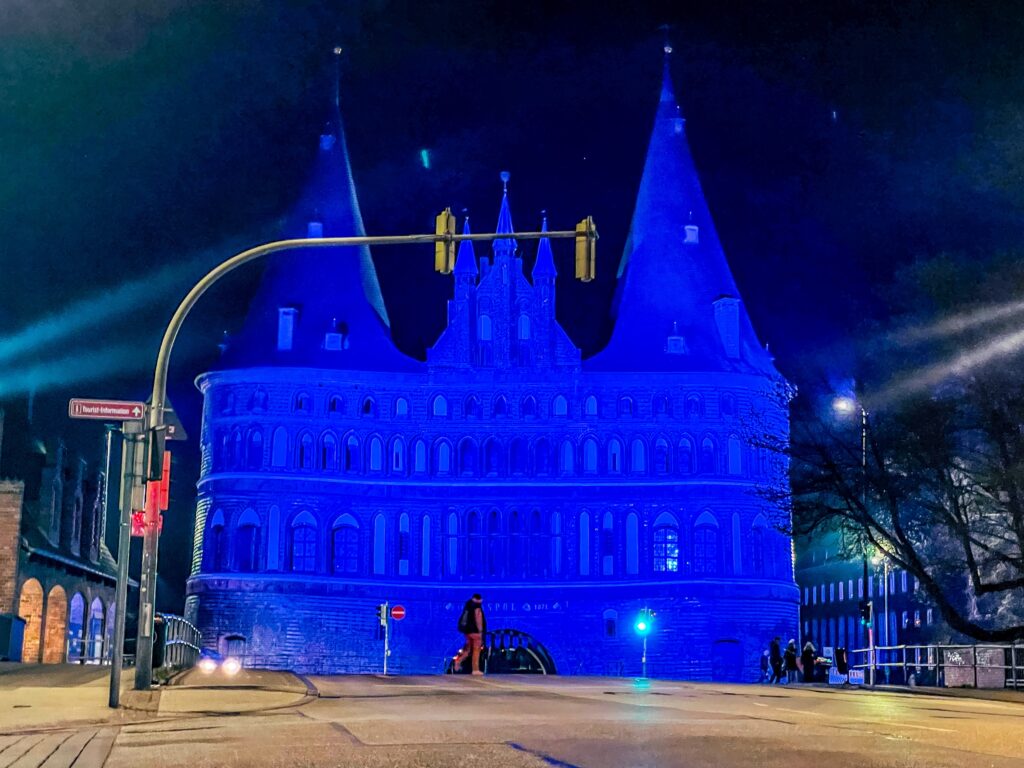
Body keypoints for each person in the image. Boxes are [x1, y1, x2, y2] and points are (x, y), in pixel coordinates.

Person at [452, 594, 487, 676]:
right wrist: (480, 631)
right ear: (479, 600)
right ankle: (475, 669)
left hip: (467, 632)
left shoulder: (468, 605)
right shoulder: (477, 607)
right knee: (476, 651)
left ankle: (458, 660)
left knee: (468, 649)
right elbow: (478, 619)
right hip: (475, 632)